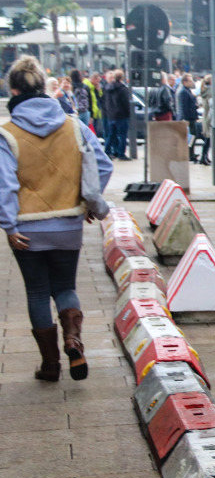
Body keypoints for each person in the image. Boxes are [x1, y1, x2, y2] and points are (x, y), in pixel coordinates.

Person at [0, 55, 112, 382]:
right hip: (68, 224)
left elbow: (5, 185)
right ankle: (73, 341)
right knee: (65, 286)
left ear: (13, 89)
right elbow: (103, 166)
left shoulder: (7, 134)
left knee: (37, 292)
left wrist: (8, 225)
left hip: (26, 229)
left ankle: (50, 365)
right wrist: (88, 202)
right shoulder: (73, 125)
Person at [101, 69, 133, 160]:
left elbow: (105, 102)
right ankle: (121, 154)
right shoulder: (123, 89)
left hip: (111, 115)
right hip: (121, 115)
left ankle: (107, 152)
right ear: (122, 77)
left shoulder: (107, 88)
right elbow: (126, 103)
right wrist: (128, 114)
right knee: (122, 136)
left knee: (111, 135)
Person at [178, 73, 202, 163]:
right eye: (190, 81)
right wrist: (185, 119)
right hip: (189, 118)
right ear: (185, 82)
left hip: (192, 117)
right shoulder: (183, 92)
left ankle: (191, 153)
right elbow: (183, 106)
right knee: (191, 136)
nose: (192, 82)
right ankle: (189, 154)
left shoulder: (187, 90)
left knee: (193, 136)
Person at [86, 71, 104, 138]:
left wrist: (99, 90)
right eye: (97, 81)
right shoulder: (88, 86)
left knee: (94, 131)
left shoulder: (95, 87)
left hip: (95, 112)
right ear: (93, 79)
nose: (98, 83)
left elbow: (100, 98)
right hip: (90, 112)